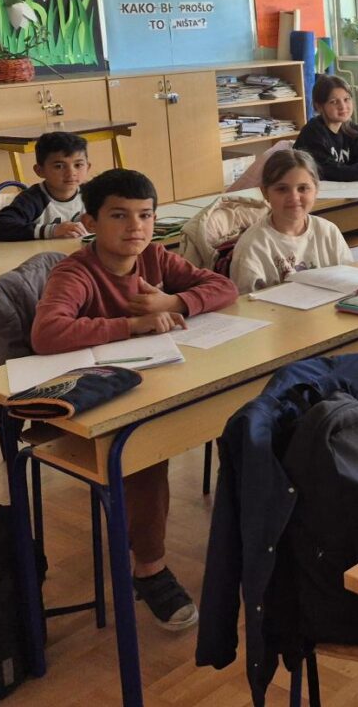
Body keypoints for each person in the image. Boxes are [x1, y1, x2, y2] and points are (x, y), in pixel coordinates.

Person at [32, 169, 238, 631]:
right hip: (89, 404)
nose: (135, 227)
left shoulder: (155, 258)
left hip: (154, 381)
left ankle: (249, 536)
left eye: (145, 215)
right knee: (145, 449)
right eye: (119, 216)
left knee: (244, 414)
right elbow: (47, 332)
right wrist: (131, 325)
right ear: (90, 222)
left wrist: (172, 304)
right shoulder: (77, 272)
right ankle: (148, 568)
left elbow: (224, 287)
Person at [228, 149, 352, 293]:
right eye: (282, 189)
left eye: (302, 188)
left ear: (316, 190)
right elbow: (246, 302)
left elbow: (349, 282)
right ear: (265, 192)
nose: (294, 197)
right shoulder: (252, 246)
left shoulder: (329, 232)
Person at [0, 130, 91, 240]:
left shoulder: (93, 193)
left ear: (88, 167)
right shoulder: (32, 199)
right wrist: (53, 231)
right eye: (59, 166)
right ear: (40, 171)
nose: (71, 173)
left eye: (78, 165)